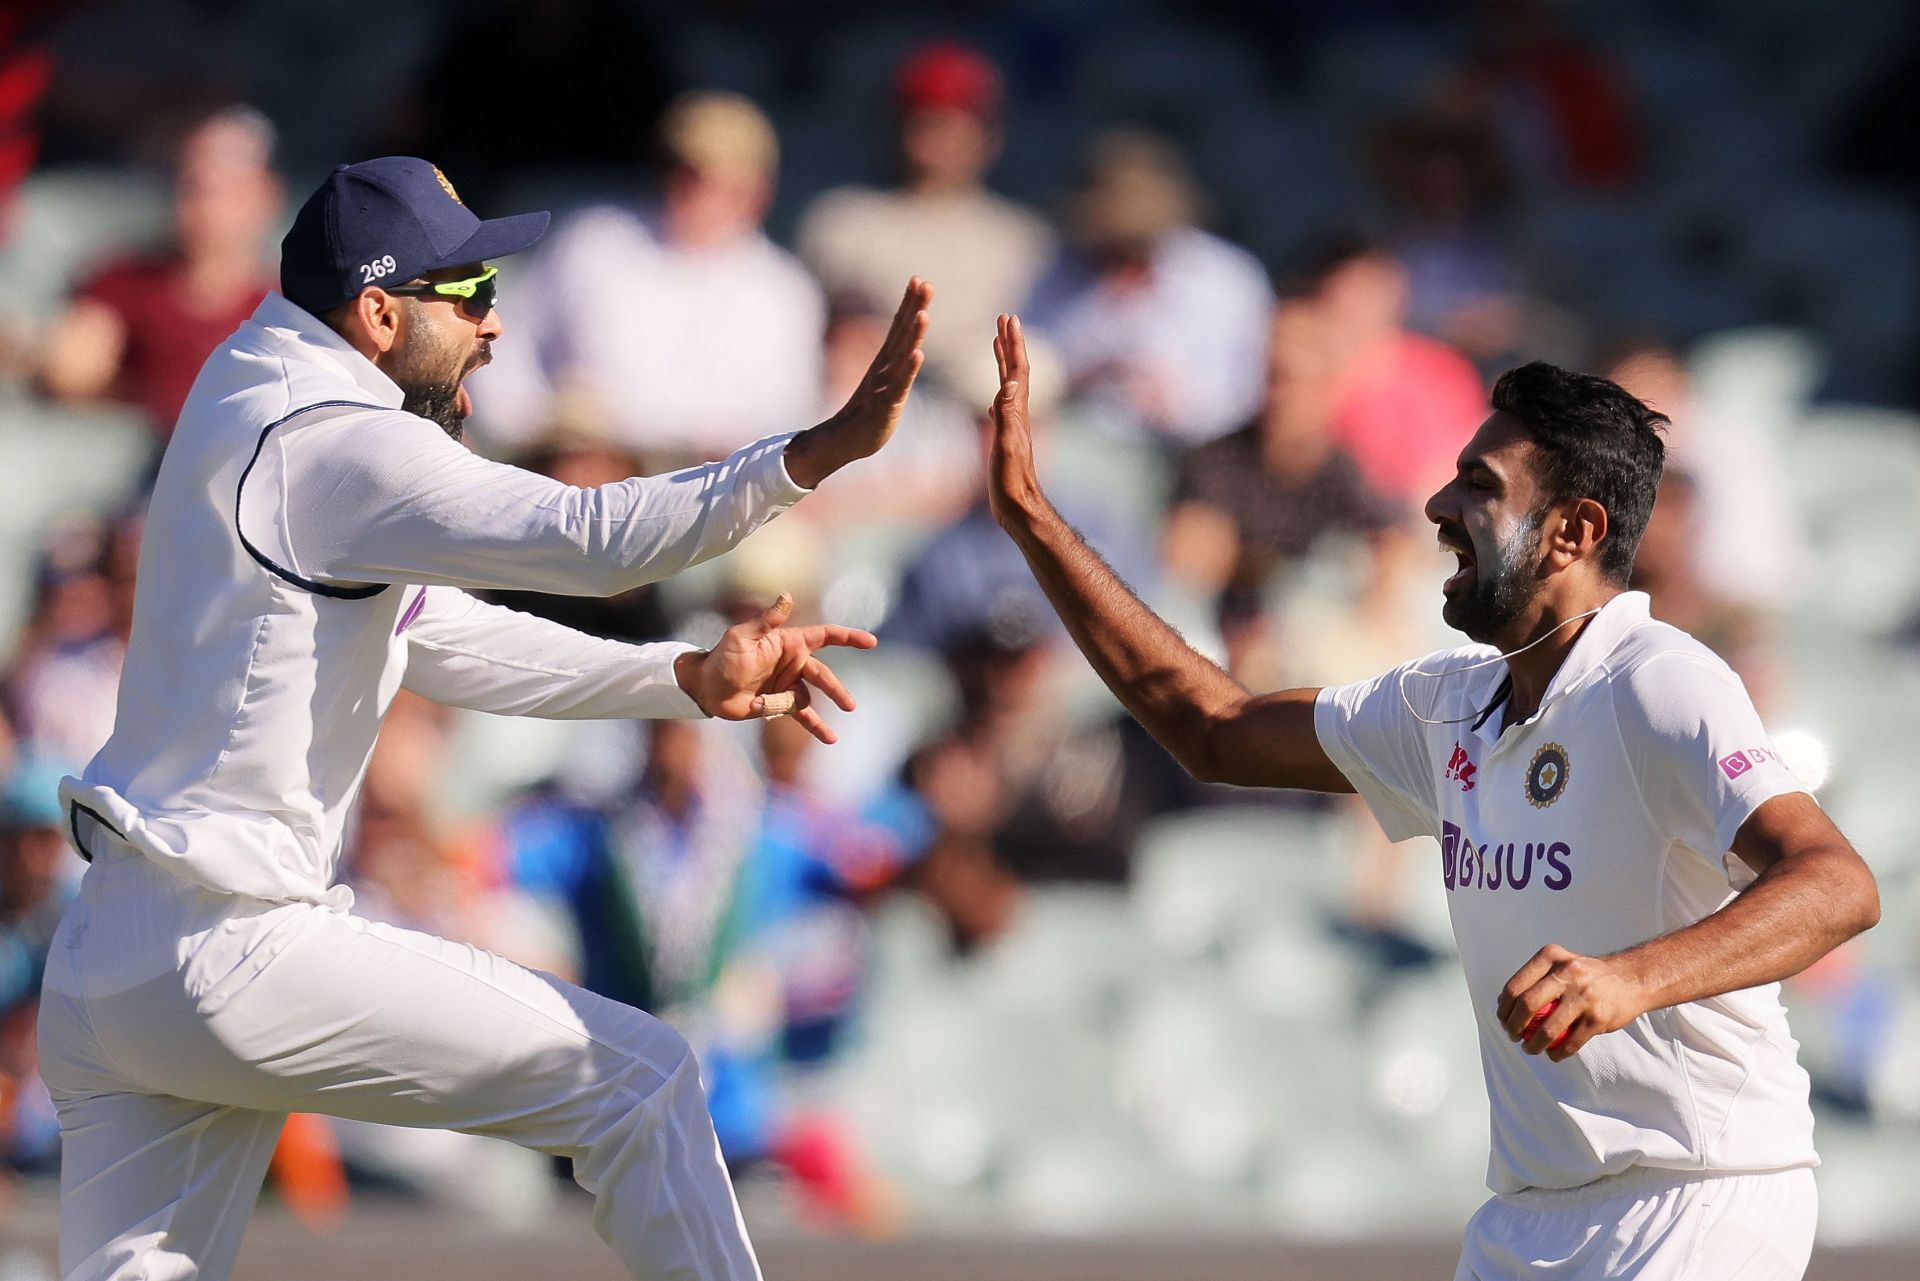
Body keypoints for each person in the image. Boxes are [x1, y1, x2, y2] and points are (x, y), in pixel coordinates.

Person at [36, 155, 932, 1281]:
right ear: (375, 313)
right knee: (644, 1083)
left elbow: (434, 634)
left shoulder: (246, 373)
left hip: (111, 963)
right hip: (232, 945)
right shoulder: (337, 440)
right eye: (467, 295)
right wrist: (813, 454)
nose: (496, 325)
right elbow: (595, 539)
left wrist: (684, 678)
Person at [983, 315, 1879, 1281]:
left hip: (1700, 1193)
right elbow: (1212, 723)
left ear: (1574, 531)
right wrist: (1033, 516)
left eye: (1481, 488)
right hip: (1530, 1215)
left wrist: (1632, 978)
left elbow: (1838, 884)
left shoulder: (1658, 680)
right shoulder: (1445, 703)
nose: (1439, 505)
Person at [472, 90, 824, 460]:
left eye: (719, 182)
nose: (697, 194)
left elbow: (788, 413)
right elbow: (507, 346)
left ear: (758, 192)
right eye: (684, 172)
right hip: (584, 472)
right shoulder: (594, 243)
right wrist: (535, 431)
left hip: (720, 484)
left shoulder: (785, 290)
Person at [797, 41, 1054, 401]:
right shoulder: (844, 223)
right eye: (927, 121)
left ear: (988, 132)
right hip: (874, 405)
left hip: (983, 409)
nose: (941, 140)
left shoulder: (1022, 238)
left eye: (957, 123)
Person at [36, 106, 282, 440]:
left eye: (226, 188)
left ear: (265, 195)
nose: (203, 204)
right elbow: (71, 373)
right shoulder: (124, 282)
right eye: (192, 185)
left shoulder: (286, 305)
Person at [1023, 128, 1273, 445]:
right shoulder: (1058, 272)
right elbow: (1024, 366)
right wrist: (1082, 379)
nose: (1118, 258)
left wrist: (1177, 405)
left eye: (1131, 243)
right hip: (1074, 447)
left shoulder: (1226, 282)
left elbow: (1252, 395)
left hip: (1198, 456)